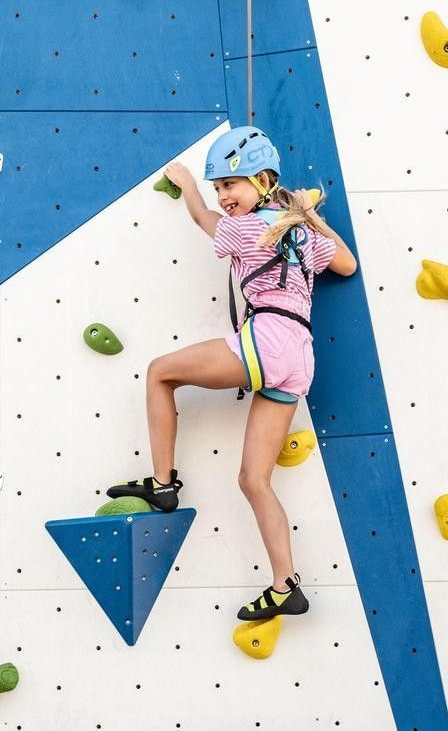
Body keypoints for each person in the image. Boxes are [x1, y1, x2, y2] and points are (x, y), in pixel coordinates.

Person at [106, 126, 358, 621]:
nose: (224, 197)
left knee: (160, 373)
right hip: (298, 357)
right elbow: (347, 264)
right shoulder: (300, 233)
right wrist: (308, 217)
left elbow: (202, 219)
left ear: (263, 181)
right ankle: (286, 585)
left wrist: (189, 186)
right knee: (253, 479)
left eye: (231, 185)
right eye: (219, 187)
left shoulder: (245, 228)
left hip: (265, 339)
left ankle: (162, 484)